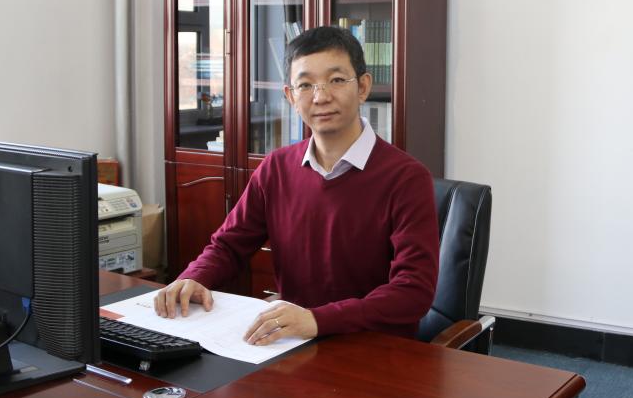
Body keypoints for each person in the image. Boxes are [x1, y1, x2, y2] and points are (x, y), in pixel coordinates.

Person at [154, 26, 439, 346]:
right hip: (292, 343)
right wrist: (193, 277)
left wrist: (316, 320)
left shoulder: (406, 179)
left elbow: (413, 292)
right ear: (291, 96)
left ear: (362, 87)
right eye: (305, 85)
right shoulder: (276, 168)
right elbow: (228, 246)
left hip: (375, 349)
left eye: (336, 80)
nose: (321, 97)